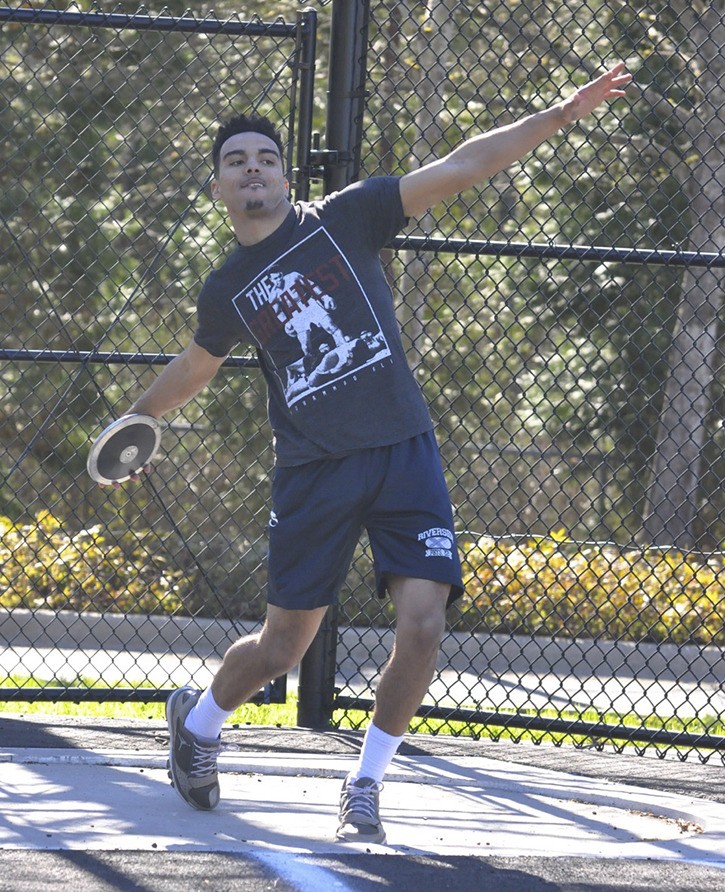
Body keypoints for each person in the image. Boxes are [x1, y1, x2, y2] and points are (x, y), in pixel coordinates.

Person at [119, 62, 631, 843]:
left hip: (403, 453)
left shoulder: (347, 218)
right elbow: (196, 367)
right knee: (283, 646)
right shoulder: (226, 288)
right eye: (235, 162)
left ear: (285, 178)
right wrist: (137, 421)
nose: (251, 168)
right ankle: (199, 724)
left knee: (422, 626)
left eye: (264, 157)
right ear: (219, 190)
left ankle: (365, 784)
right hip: (314, 470)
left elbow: (465, 164)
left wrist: (559, 113)